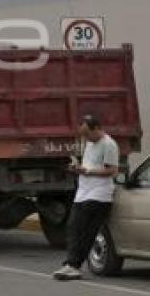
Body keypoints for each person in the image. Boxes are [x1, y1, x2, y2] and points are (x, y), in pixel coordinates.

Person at [53, 114, 120, 281]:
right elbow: (90, 164)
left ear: (96, 128)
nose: (86, 138)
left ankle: (73, 265)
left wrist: (88, 171)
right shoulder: (90, 143)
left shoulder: (108, 144)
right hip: (83, 192)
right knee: (73, 227)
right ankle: (71, 265)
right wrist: (78, 168)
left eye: (87, 134)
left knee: (84, 231)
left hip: (99, 195)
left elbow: (112, 170)